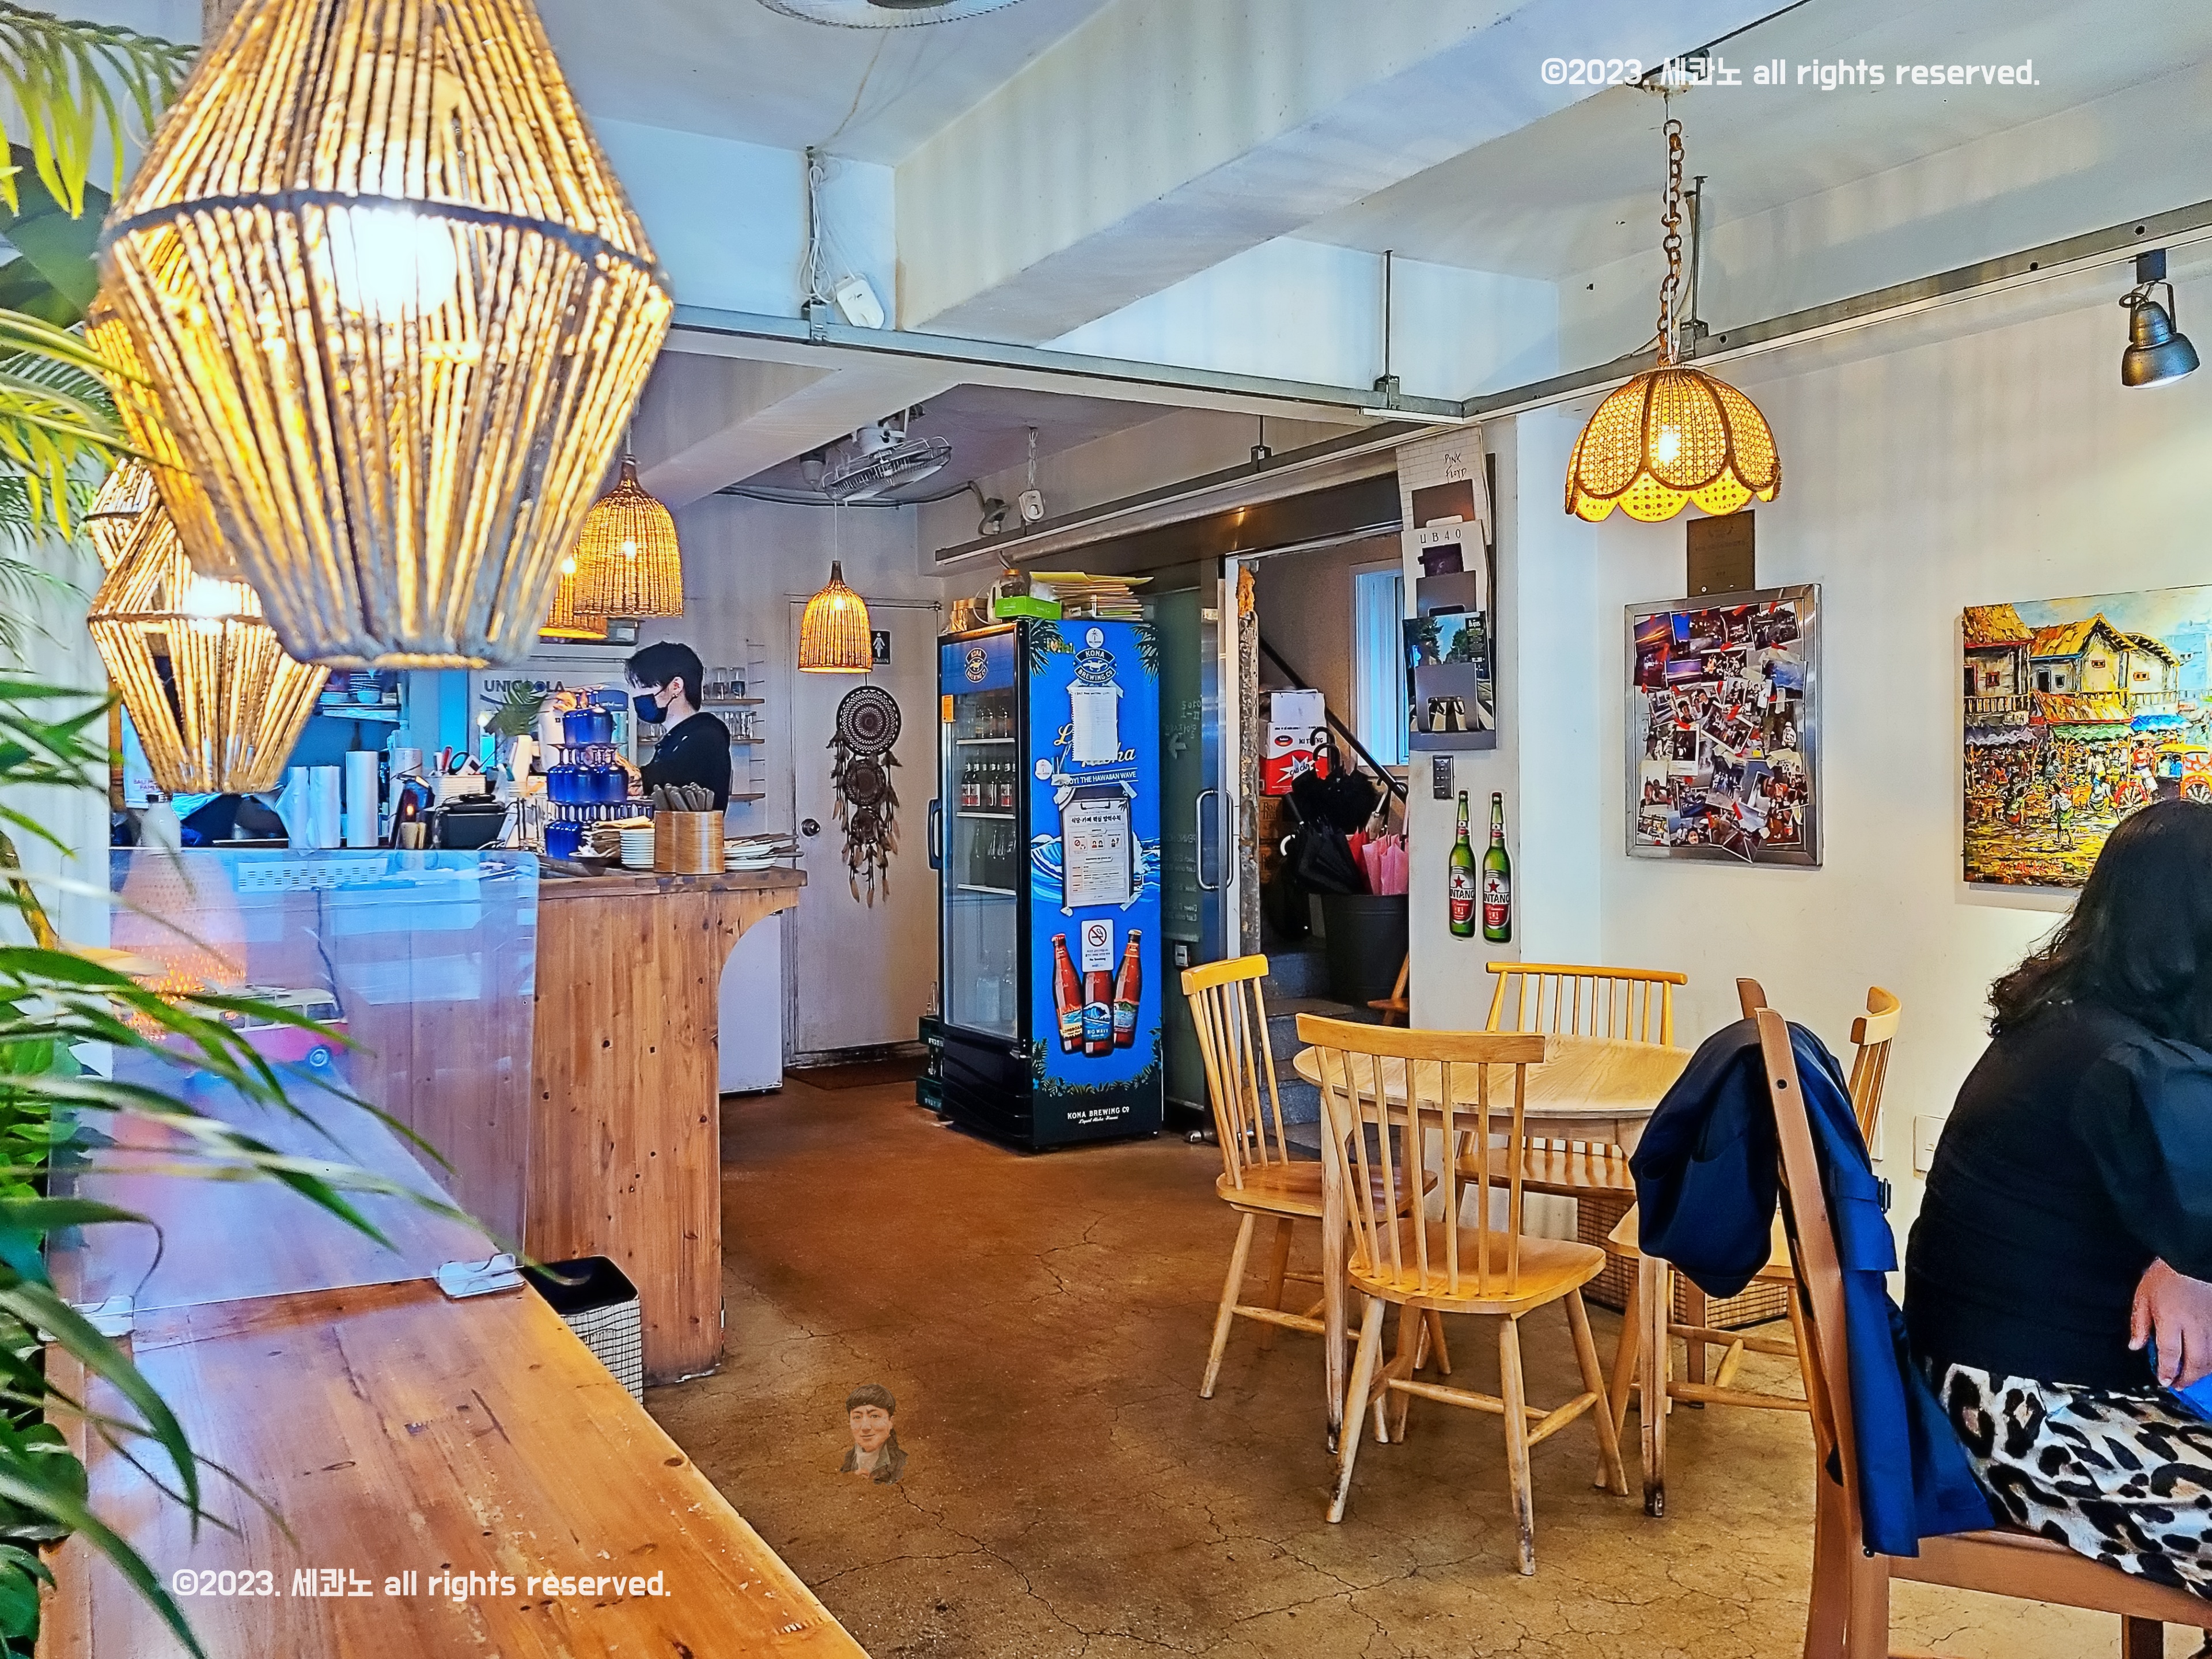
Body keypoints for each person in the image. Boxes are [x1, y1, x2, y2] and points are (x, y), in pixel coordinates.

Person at [1906, 800, 2212, 1597]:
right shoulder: (2119, 1062)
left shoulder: (2072, 1025)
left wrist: (2185, 1259)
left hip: (2000, 1378)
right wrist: (2192, 1260)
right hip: (2031, 1417)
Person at [619, 641, 730, 809]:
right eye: (634, 688)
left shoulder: (706, 735)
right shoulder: (676, 737)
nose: (637, 695)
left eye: (644, 686)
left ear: (676, 686)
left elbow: (652, 779)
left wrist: (601, 749)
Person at [838, 1383, 907, 1484]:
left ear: (891, 1422)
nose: (865, 1427)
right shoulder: (844, 1463)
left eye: (874, 1416)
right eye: (857, 1417)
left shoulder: (905, 1465)